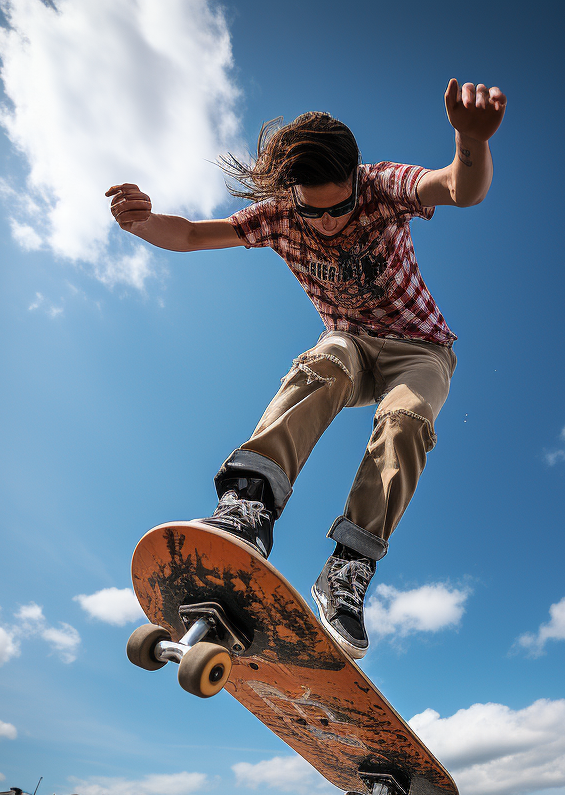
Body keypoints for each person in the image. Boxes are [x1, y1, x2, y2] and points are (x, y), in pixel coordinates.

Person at [107, 79, 506, 659]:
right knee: (326, 360)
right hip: (349, 340)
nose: (325, 224)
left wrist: (470, 141)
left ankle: (347, 571)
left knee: (408, 420)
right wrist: (142, 222)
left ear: (355, 181)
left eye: (338, 208)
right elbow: (192, 235)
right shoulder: (278, 217)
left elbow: (457, 188)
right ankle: (248, 505)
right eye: (310, 211)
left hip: (419, 349)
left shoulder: (383, 186)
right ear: (290, 195)